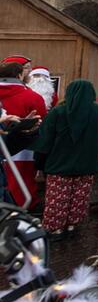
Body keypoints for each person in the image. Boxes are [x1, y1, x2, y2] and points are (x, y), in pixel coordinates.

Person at [33, 79, 98, 239]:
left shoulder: (57, 112)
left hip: (58, 164)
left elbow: (45, 141)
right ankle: (71, 225)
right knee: (79, 196)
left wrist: (39, 162)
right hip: (87, 163)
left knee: (58, 198)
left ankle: (55, 229)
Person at [0, 59, 47, 208]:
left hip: (9, 146)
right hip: (22, 149)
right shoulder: (33, 96)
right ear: (19, 75)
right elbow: (42, 121)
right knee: (21, 184)